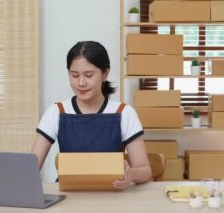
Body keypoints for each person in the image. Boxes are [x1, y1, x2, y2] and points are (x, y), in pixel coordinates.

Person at [31, 41, 151, 189]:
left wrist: (130, 174)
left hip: (111, 196)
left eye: (89, 75)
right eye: (74, 75)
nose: (81, 83)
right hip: (68, 198)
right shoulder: (57, 112)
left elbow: (145, 170)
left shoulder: (124, 113)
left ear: (105, 73)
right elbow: (31, 168)